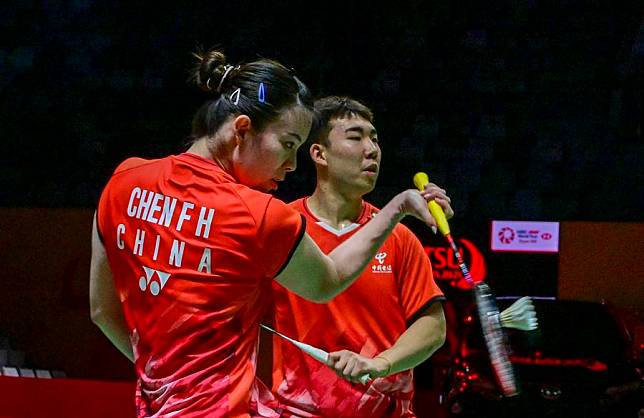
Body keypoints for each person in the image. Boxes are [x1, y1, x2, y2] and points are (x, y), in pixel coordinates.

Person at [89, 50, 441, 418]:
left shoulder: (123, 180)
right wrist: (399, 207)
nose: (291, 165)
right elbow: (328, 281)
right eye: (288, 144)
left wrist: (170, 378)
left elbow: (101, 310)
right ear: (241, 130)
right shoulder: (259, 215)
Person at [271, 96, 451, 417]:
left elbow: (433, 327)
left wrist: (380, 364)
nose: (372, 149)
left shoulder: (398, 237)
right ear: (319, 153)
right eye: (355, 137)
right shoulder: (281, 227)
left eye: (375, 138)